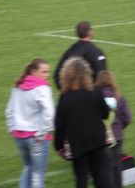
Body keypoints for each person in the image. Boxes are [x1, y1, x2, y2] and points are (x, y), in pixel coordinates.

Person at [54, 57, 111, 188]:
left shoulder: (64, 98)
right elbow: (105, 113)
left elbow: (59, 125)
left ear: (66, 76)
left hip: (78, 142)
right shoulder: (95, 91)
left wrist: (58, 146)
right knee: (100, 175)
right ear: (87, 73)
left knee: (81, 177)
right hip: (97, 139)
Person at [5, 59, 55, 188]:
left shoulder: (18, 86)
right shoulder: (42, 88)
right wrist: (42, 133)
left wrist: (12, 128)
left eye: (48, 72)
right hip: (36, 137)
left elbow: (9, 110)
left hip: (19, 136)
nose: (47, 75)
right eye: (44, 72)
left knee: (28, 167)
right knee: (38, 176)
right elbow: (49, 112)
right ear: (33, 71)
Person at [95, 71, 132, 188]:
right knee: (117, 164)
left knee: (106, 166)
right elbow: (128, 117)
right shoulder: (119, 97)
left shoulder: (95, 98)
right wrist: (120, 127)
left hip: (103, 137)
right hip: (118, 135)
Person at [53, 21, 107, 90]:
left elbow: (57, 74)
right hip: (89, 94)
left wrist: (66, 91)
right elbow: (102, 76)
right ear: (90, 32)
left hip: (72, 94)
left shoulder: (69, 52)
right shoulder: (96, 52)